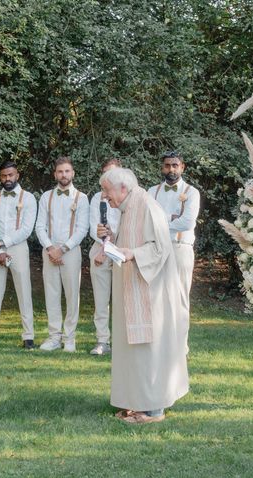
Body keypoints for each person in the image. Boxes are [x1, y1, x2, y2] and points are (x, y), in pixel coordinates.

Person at [101, 167, 189, 424]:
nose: (105, 196)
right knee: (134, 349)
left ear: (123, 189)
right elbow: (131, 240)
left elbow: (159, 249)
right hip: (133, 287)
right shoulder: (129, 207)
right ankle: (135, 401)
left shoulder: (148, 206)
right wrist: (111, 239)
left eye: (107, 191)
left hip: (152, 293)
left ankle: (153, 408)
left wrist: (132, 255)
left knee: (149, 349)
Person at [0, 160, 38, 349]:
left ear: (17, 175)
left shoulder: (28, 198)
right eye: (4, 175)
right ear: (0, 177)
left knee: (24, 292)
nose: (7, 179)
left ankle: (28, 337)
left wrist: (3, 243)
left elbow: (27, 229)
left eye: (10, 175)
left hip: (18, 248)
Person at [35, 156, 89, 352]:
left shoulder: (82, 198)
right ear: (55, 174)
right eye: (60, 171)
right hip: (49, 251)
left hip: (71, 251)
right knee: (52, 294)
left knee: (72, 294)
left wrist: (63, 248)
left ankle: (70, 338)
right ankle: (54, 337)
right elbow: (40, 226)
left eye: (67, 171)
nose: (64, 175)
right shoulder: (45, 197)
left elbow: (82, 228)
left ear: (72, 173)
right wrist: (50, 248)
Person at [147, 151, 200, 351]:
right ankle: (159, 343)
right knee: (156, 297)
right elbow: (147, 219)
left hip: (180, 248)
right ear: (162, 168)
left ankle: (180, 345)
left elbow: (187, 222)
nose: (171, 169)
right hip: (157, 248)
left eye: (175, 165)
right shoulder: (152, 192)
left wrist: (162, 221)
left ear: (182, 167)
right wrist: (171, 218)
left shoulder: (192, 192)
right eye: (167, 165)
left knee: (180, 298)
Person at [88, 159, 122, 355]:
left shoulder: (127, 197)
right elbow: (95, 227)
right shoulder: (96, 198)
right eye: (106, 173)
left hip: (122, 250)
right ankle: (102, 341)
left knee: (121, 299)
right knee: (101, 300)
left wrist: (110, 245)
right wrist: (103, 248)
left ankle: (122, 342)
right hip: (99, 249)